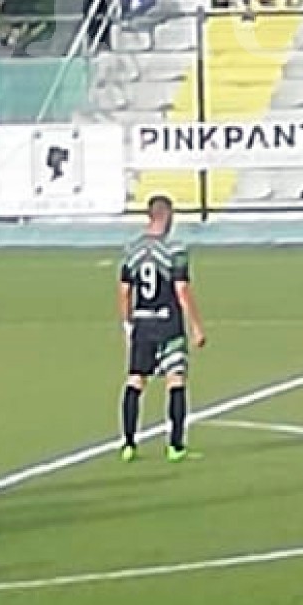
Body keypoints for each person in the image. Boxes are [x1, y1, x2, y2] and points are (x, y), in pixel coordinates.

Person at [116, 195, 208, 464]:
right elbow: (181, 289)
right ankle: (175, 445)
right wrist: (196, 326)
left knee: (136, 380)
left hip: (142, 323)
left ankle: (129, 443)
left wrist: (127, 323)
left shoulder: (132, 249)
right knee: (175, 379)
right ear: (166, 216)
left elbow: (124, 290)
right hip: (168, 322)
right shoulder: (175, 249)